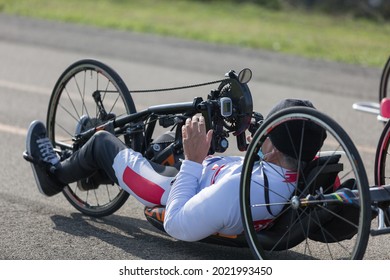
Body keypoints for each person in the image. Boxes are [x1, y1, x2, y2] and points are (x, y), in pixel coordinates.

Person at [24, 98, 326, 242]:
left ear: (273, 148)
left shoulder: (239, 189)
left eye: (265, 134)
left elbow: (177, 225)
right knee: (167, 140)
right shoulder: (287, 174)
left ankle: (55, 175)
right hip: (200, 178)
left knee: (102, 143)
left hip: (169, 191)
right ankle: (90, 171)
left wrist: (194, 160)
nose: (259, 136)